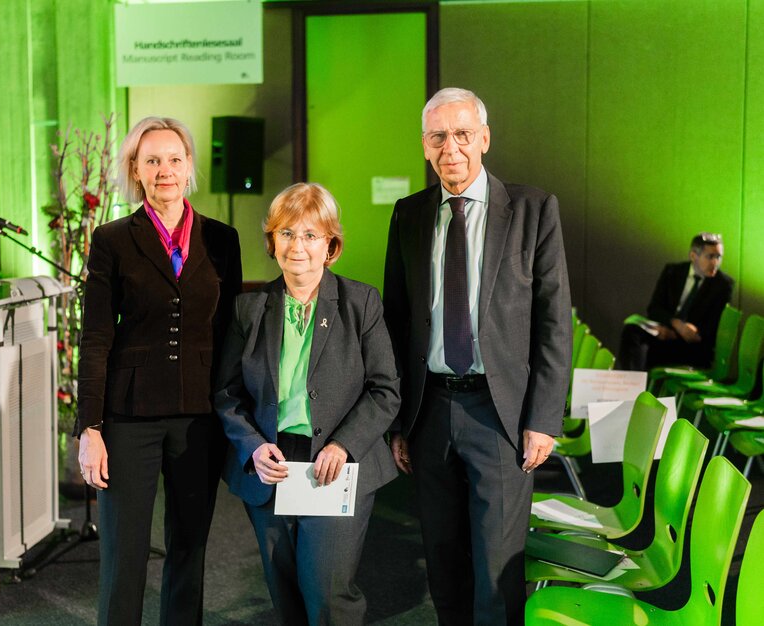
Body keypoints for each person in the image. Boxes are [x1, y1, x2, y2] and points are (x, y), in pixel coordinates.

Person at [383, 88, 572, 625]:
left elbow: (554, 322)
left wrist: (542, 418)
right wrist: (400, 421)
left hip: (502, 415)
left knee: (496, 573)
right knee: (442, 563)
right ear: (425, 146)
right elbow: (397, 323)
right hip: (431, 412)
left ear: (484, 138)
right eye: (439, 137)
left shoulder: (533, 210)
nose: (452, 148)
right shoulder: (409, 215)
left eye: (463, 134)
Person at [75, 116, 242, 625]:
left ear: (189, 167)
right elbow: (96, 336)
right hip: (129, 417)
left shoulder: (223, 239)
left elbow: (231, 333)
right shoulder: (112, 239)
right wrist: (89, 427)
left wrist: (238, 417)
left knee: (189, 548)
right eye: (152, 160)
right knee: (123, 556)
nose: (164, 170)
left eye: (174, 159)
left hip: (200, 418)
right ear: (136, 170)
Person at [215, 183, 400, 625]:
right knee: (285, 594)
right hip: (271, 463)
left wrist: (343, 446)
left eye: (310, 235)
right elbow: (226, 395)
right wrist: (254, 447)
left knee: (327, 594)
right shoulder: (249, 308)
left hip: (335, 464)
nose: (297, 246)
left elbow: (385, 389)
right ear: (272, 242)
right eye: (286, 234)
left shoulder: (361, 303)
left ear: (330, 245)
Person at [618, 232, 733, 371]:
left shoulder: (723, 285)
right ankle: (633, 385)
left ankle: (639, 384)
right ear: (693, 256)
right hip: (666, 332)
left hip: (693, 346)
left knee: (650, 353)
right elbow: (654, 308)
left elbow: (712, 328)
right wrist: (674, 324)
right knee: (631, 331)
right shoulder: (672, 272)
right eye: (710, 257)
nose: (715, 263)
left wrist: (681, 332)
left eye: (718, 257)